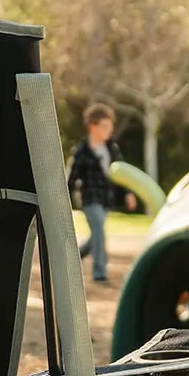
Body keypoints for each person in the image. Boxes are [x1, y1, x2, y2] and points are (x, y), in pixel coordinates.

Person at [67, 101, 136, 285]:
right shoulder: (82, 151)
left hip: (105, 199)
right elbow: (72, 178)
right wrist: (65, 200)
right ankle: (99, 272)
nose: (109, 130)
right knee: (99, 229)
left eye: (110, 127)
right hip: (89, 198)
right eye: (104, 127)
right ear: (92, 126)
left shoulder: (111, 149)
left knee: (96, 235)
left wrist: (128, 193)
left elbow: (121, 174)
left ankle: (74, 256)